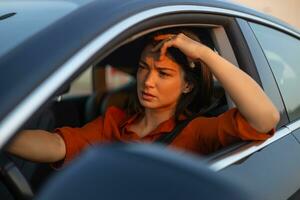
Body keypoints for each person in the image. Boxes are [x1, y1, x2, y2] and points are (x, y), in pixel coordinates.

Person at [7, 29, 280, 166]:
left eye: (163, 73)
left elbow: (265, 118)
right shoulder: (115, 122)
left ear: (187, 86)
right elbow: (58, 145)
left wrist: (206, 54)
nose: (148, 81)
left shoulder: (197, 132)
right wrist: (4, 134)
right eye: (142, 69)